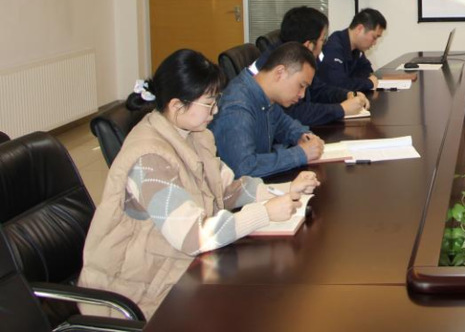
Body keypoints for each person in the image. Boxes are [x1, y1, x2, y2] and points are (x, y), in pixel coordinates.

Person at [78, 49, 318, 318]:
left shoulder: (195, 135)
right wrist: (263, 213)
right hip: (138, 293)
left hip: (178, 270)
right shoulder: (149, 159)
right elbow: (193, 237)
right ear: (177, 105)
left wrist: (283, 190)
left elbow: (227, 189)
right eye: (209, 103)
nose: (215, 111)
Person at [212, 42, 326, 178]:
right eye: (301, 85)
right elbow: (243, 168)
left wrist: (302, 135)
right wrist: (301, 153)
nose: (302, 94)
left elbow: (284, 124)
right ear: (280, 73)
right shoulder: (237, 107)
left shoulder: (265, 95)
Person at [252, 6, 369, 125]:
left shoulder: (293, 57)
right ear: (309, 45)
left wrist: (346, 94)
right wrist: (341, 109)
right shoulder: (283, 66)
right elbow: (294, 114)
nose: (324, 46)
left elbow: (316, 89)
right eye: (322, 40)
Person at [316, 7, 386, 93]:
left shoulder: (357, 49)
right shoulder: (333, 48)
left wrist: (352, 81)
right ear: (360, 29)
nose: (374, 43)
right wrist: (368, 83)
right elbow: (338, 84)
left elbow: (367, 70)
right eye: (374, 37)